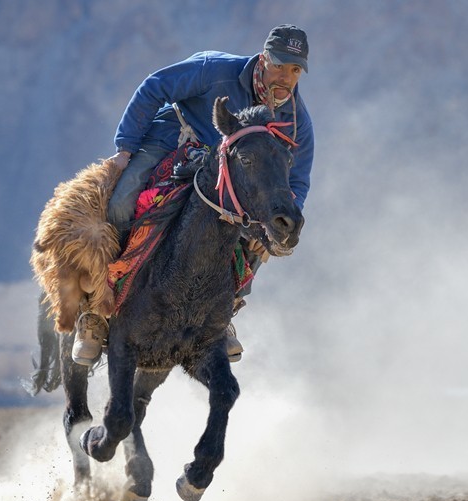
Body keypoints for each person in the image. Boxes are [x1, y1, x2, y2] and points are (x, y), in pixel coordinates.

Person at [70, 24, 314, 366]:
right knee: (122, 202)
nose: (285, 77)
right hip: (172, 140)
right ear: (263, 59)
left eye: (295, 70)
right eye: (279, 65)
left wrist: (278, 225)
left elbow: (297, 181)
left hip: (223, 177)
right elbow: (154, 87)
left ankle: (224, 312)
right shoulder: (215, 71)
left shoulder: (295, 121)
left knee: (259, 235)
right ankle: (95, 311)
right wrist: (125, 150)